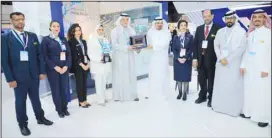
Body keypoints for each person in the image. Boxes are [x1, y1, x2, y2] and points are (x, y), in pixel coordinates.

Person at [1, 12, 53, 136]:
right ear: (12, 21)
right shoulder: (6, 38)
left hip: (34, 75)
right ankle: (23, 124)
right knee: (20, 102)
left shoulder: (33, 36)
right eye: (17, 19)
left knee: (36, 99)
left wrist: (41, 71)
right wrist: (10, 79)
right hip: (18, 78)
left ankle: (40, 118)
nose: (20, 22)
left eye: (22, 19)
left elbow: (39, 55)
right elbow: (4, 60)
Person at [212, 11, 246, 116]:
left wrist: (229, 59)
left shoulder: (241, 32)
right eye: (227, 18)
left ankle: (232, 110)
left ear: (235, 19)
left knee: (232, 86)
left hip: (233, 64)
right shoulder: (220, 31)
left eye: (231, 18)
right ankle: (219, 106)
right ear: (225, 20)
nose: (229, 20)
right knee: (221, 85)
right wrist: (220, 57)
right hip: (221, 63)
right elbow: (216, 45)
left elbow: (242, 48)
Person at [240, 9, 271, 127]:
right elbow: (247, 51)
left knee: (262, 92)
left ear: (264, 19)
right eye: (255, 17)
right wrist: (243, 65)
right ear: (252, 20)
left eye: (260, 17)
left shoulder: (269, 33)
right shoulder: (251, 34)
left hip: (262, 68)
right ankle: (249, 112)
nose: (257, 19)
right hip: (249, 68)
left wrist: (267, 68)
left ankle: (262, 117)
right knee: (249, 90)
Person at [41, 21, 72, 118]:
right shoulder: (46, 40)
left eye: (58, 26)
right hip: (53, 70)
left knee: (64, 89)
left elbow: (69, 54)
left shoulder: (63, 39)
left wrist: (66, 66)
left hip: (64, 69)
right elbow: (44, 56)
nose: (56, 28)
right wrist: (55, 67)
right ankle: (59, 110)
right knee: (56, 90)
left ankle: (65, 108)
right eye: (54, 26)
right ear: (50, 28)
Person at [192, 9, 221, 107]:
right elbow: (195, 44)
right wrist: (195, 58)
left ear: (212, 16)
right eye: (204, 16)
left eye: (208, 16)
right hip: (200, 60)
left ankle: (211, 97)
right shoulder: (199, 29)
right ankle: (202, 95)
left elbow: (220, 45)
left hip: (212, 60)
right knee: (201, 79)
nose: (206, 18)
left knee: (212, 80)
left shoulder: (218, 29)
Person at [110, 13, 140, 102]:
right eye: (123, 19)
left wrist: (138, 49)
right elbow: (114, 45)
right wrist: (126, 48)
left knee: (131, 75)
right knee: (120, 76)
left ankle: (132, 95)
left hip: (130, 56)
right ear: (120, 20)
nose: (125, 21)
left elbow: (136, 43)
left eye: (127, 19)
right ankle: (119, 96)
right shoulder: (114, 31)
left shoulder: (131, 30)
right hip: (120, 57)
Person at [145, 17, 171, 100]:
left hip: (162, 58)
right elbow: (147, 44)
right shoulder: (150, 32)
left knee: (162, 75)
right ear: (154, 24)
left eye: (161, 23)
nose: (159, 24)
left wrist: (153, 46)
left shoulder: (167, 33)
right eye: (157, 23)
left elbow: (165, 45)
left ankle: (162, 94)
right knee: (153, 74)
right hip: (153, 58)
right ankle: (153, 93)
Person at [88, 24, 112, 106]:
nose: (101, 31)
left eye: (102, 29)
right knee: (98, 83)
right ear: (96, 30)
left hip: (105, 64)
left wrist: (109, 58)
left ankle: (104, 97)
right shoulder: (91, 40)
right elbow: (89, 54)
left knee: (104, 81)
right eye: (99, 29)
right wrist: (99, 60)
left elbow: (109, 50)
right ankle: (100, 100)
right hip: (97, 64)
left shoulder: (105, 40)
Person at [68, 23, 90, 108]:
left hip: (85, 64)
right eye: (76, 30)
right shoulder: (71, 42)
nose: (78, 32)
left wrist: (88, 63)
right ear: (73, 32)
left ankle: (85, 100)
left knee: (84, 83)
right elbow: (73, 56)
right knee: (79, 84)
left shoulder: (83, 41)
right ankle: (81, 101)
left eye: (79, 30)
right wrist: (82, 64)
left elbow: (86, 54)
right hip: (78, 66)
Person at [172, 20, 194, 101]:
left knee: (185, 78)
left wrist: (185, 58)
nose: (183, 27)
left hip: (187, 60)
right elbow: (173, 49)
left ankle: (184, 93)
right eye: (181, 25)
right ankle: (180, 92)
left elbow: (191, 49)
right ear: (178, 27)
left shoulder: (190, 36)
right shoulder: (175, 37)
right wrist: (178, 57)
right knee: (179, 77)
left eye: (185, 25)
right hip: (177, 61)